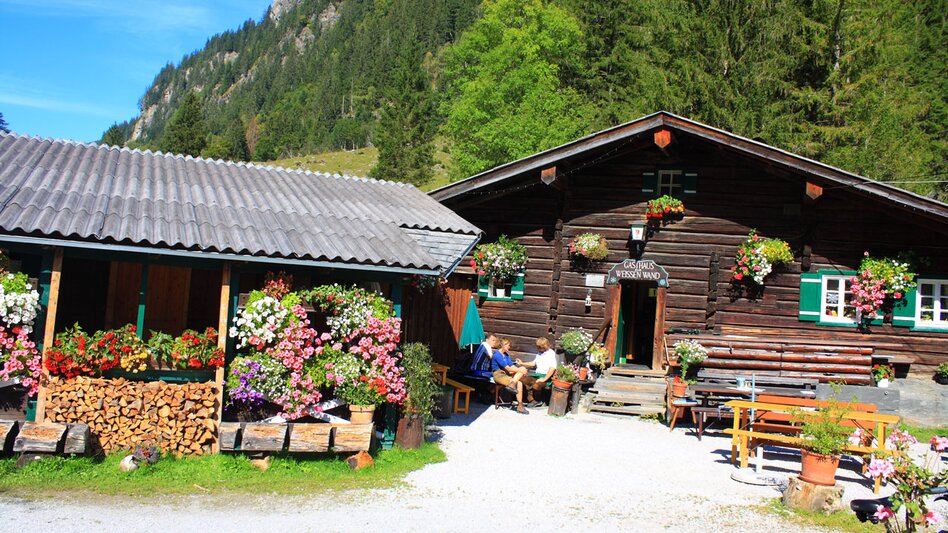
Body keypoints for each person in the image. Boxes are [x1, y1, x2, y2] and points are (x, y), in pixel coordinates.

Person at [491, 338, 529, 414]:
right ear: (503, 345)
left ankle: (512, 385)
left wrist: (521, 369)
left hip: (506, 373)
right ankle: (520, 406)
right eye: (508, 345)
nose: (509, 347)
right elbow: (508, 368)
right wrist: (520, 370)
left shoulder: (506, 355)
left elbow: (512, 367)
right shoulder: (497, 355)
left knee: (522, 368)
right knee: (519, 383)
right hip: (499, 374)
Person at [516, 337, 558, 403]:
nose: (537, 348)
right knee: (523, 380)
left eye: (539, 347)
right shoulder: (539, 353)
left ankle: (538, 400)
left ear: (544, 346)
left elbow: (552, 368)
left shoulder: (550, 353)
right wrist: (522, 363)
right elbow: (533, 363)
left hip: (546, 377)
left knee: (536, 384)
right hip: (537, 375)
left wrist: (544, 379)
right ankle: (531, 400)